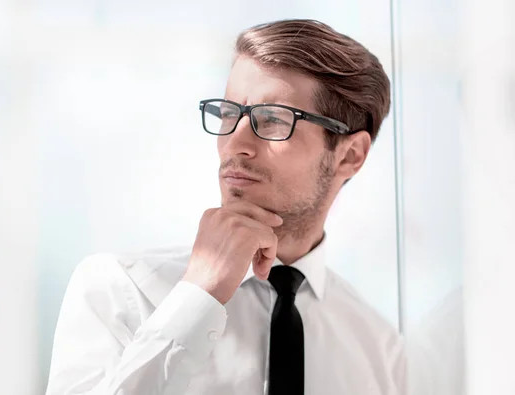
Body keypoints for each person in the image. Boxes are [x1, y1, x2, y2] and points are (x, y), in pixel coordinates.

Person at [45, 18, 406, 395]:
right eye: (229, 114)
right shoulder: (120, 291)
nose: (234, 143)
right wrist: (198, 296)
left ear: (350, 156)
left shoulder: (381, 350)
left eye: (272, 120)